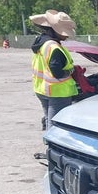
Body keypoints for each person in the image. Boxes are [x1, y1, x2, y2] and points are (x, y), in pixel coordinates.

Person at [29, 10, 77, 151]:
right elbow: (57, 71)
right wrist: (70, 71)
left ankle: (51, 150)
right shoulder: (54, 47)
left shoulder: (41, 43)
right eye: (64, 32)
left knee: (49, 120)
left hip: (42, 89)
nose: (66, 36)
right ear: (55, 30)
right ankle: (54, 153)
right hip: (58, 92)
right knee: (56, 124)